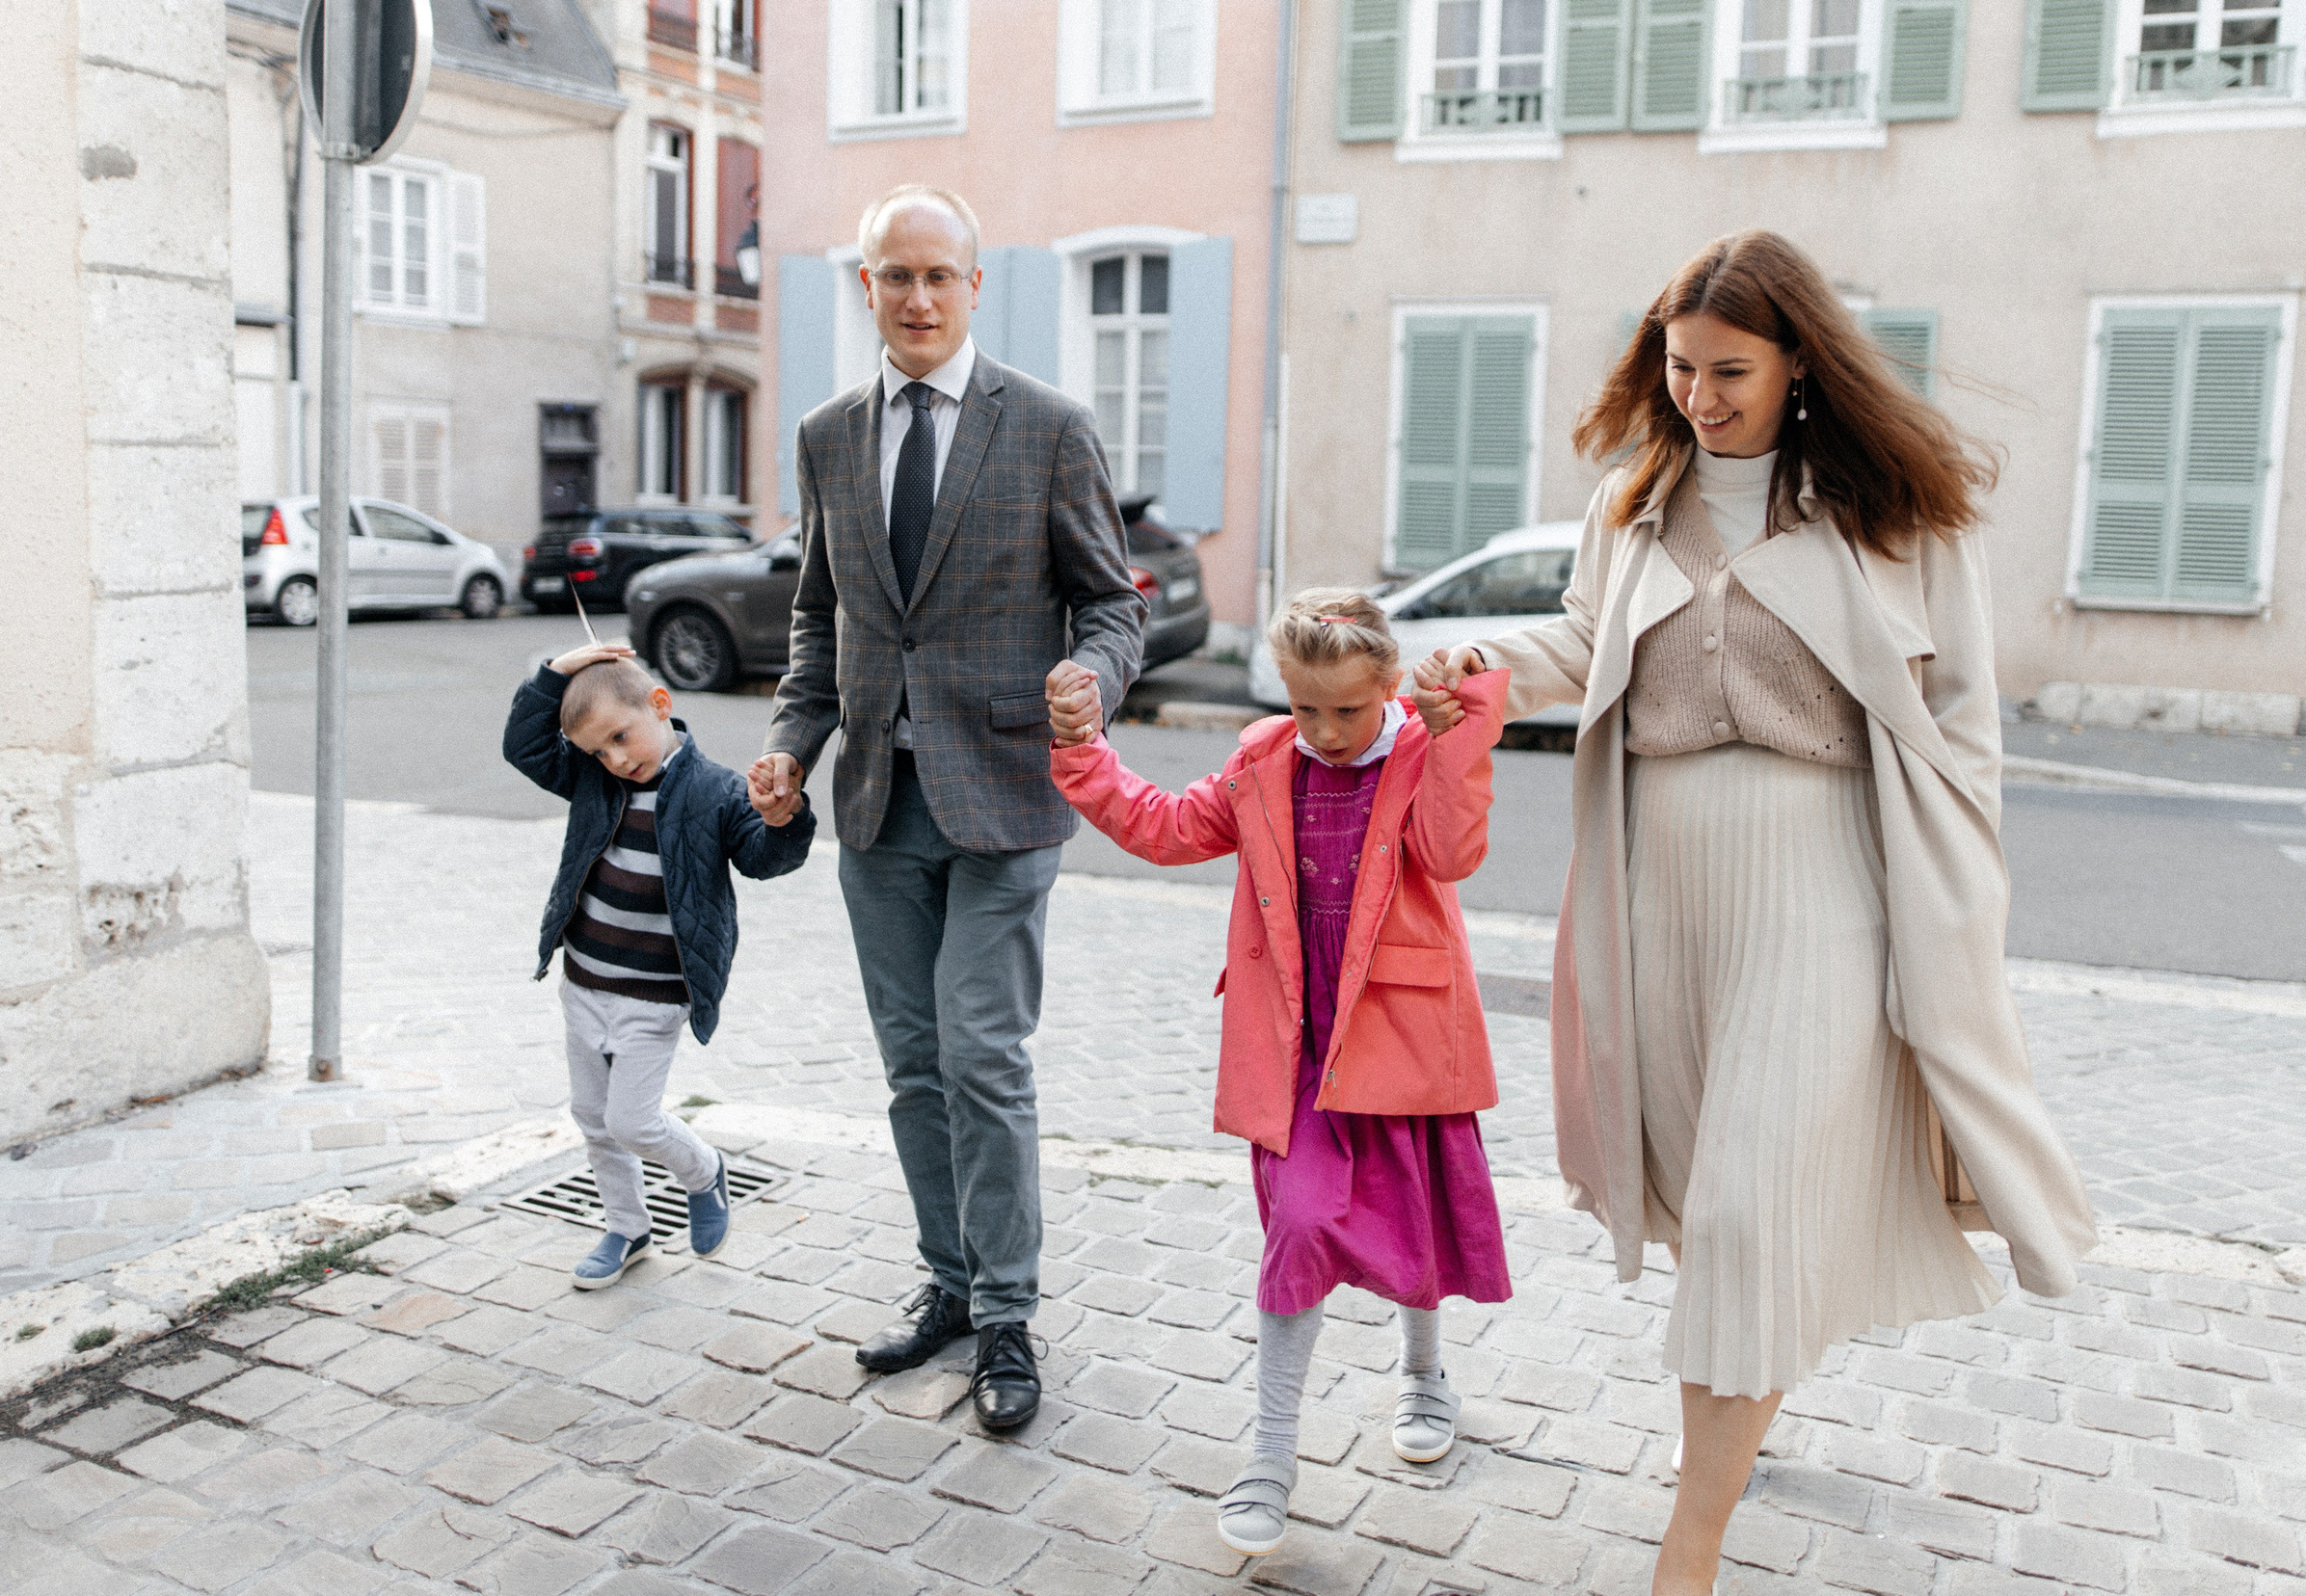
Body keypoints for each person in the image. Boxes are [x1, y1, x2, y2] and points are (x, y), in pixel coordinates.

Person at [1412, 230, 2095, 1595]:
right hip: (1662, 892)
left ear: (1800, 366)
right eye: (1679, 369)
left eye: (1730, 371)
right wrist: (1478, 666)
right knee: (1726, 1205)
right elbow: (1586, 644)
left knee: (1742, 1213)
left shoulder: (1892, 515)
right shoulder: (1632, 505)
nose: (1701, 397)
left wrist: (1952, 890)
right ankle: (1741, 1415)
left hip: (1824, 887)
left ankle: (1691, 1551)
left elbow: (1963, 719)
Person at [747, 184, 1144, 1431]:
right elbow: (825, 616)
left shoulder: (1050, 430)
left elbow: (1112, 604)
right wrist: (790, 746)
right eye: (894, 276)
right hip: (877, 803)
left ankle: (1012, 1317)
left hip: (1008, 792)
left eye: (940, 276)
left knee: (983, 1056)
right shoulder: (824, 436)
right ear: (865, 288)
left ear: (976, 286)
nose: (918, 297)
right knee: (914, 1068)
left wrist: (1095, 677)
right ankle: (952, 1286)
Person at [1047, 591, 1515, 1556]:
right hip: (1294, 1051)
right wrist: (1084, 752)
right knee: (1298, 1229)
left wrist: (1458, 738)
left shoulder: (1423, 748)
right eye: (1305, 708)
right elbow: (1167, 828)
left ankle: (1423, 1373)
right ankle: (1269, 1455)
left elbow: (1450, 852)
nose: (1325, 731)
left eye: (1346, 709)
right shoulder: (1264, 758)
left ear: (1388, 686)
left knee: (1412, 1217)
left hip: (1401, 1038)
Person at [505, 640, 815, 1288]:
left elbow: (765, 859)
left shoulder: (718, 791)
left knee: (631, 1120)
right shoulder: (595, 779)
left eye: (621, 737)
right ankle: (627, 1227)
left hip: (656, 993)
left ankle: (704, 1172)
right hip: (584, 982)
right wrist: (557, 671)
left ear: (660, 705)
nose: (616, 760)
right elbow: (524, 747)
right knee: (592, 1119)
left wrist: (783, 819)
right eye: (599, 751)